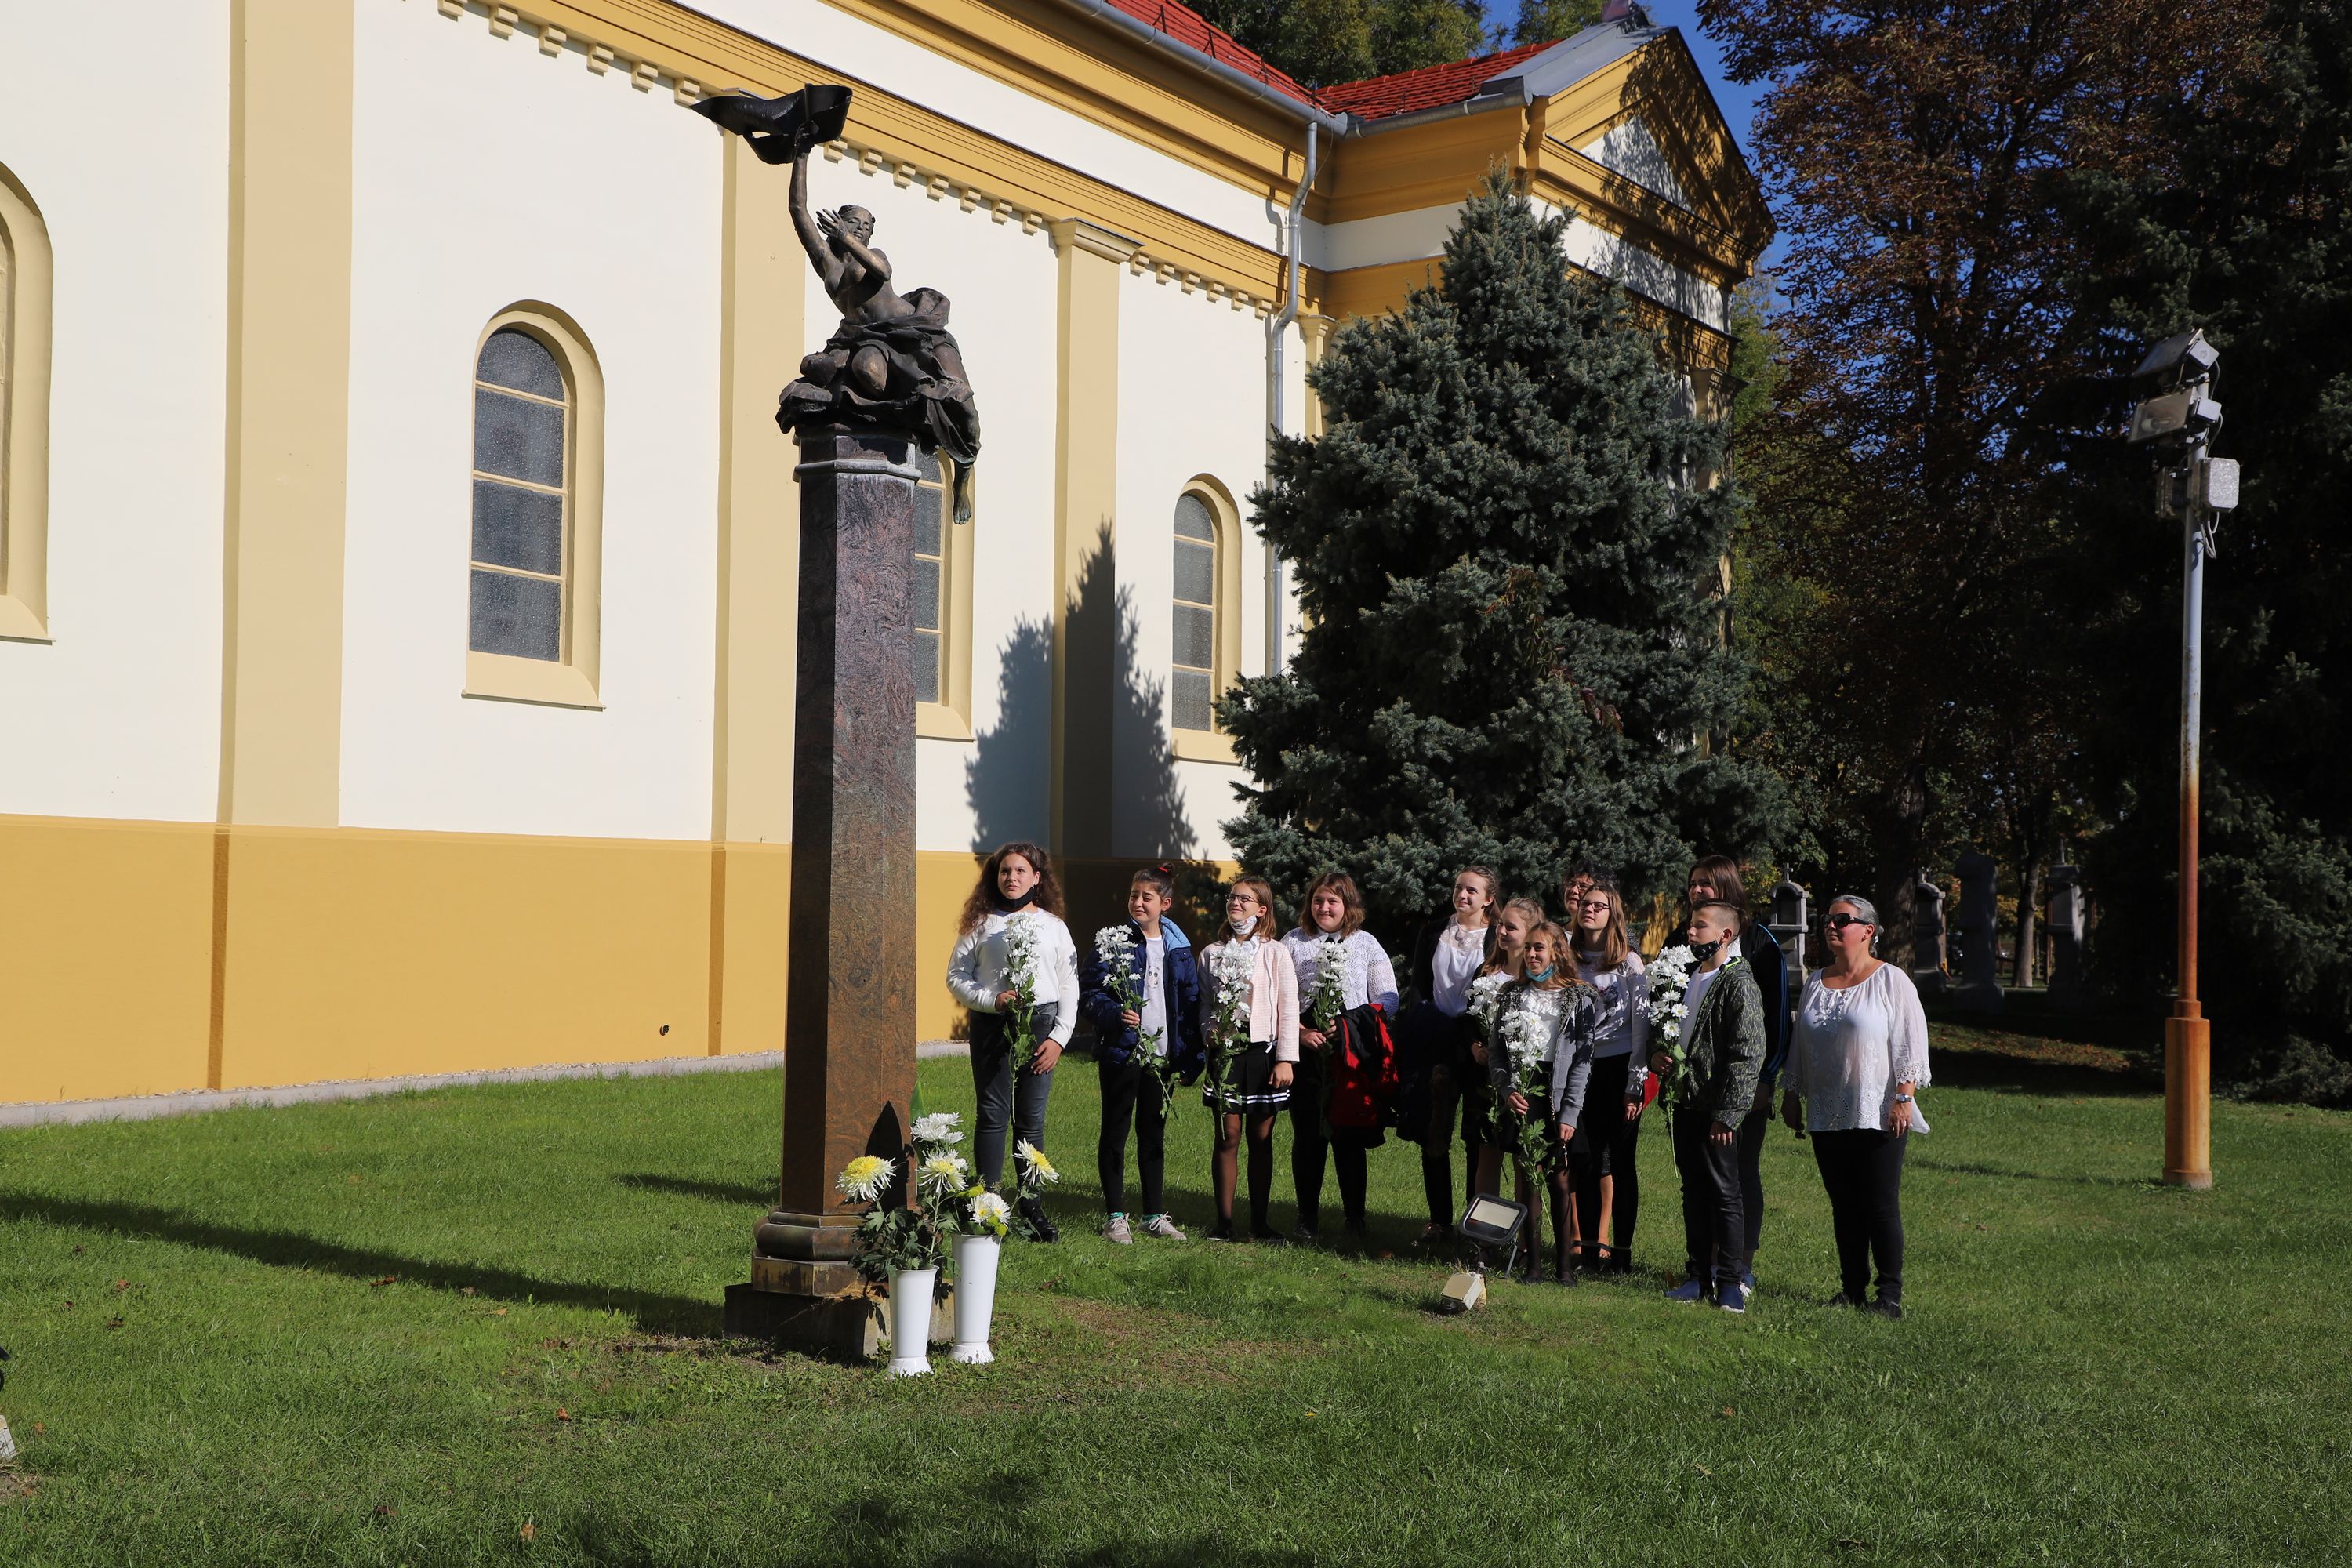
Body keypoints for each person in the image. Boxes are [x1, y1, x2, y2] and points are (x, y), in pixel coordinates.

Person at [1780, 895, 1931, 1319]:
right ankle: (1852, 1289)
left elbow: (1911, 1042)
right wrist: (1792, 1092)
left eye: (1842, 919)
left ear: (1868, 930)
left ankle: (1890, 1296)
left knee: (1879, 1203)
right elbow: (1800, 1043)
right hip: (1827, 1110)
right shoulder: (1816, 982)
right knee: (1843, 1204)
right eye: (1827, 919)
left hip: (1878, 1109)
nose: (1831, 925)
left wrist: (1904, 1097)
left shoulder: (1891, 980)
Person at [946, 841, 1079, 1240]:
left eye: (1021, 871)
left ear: (1037, 878)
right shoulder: (981, 924)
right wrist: (992, 1000)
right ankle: (988, 1205)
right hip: (993, 1025)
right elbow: (956, 976)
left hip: (1041, 1027)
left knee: (1031, 1119)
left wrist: (1058, 1038)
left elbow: (1069, 985)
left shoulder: (1054, 927)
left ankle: (1031, 1206)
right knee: (992, 1114)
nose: (1012, 878)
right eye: (1005, 871)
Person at [1077, 864, 1204, 1245]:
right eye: (1134, 895)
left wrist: (1191, 1057)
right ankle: (1115, 1217)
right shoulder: (1113, 943)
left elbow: (1189, 1003)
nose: (1138, 902)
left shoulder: (1178, 949)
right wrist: (1117, 1014)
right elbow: (1090, 993)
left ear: (1165, 904)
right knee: (1115, 1131)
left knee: (1153, 1135)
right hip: (1123, 1053)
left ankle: (1153, 1215)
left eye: (1147, 897)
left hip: (1161, 1056)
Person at [1686, 855, 1788, 1294]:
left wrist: (1766, 1078)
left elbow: (1775, 1015)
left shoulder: (1759, 943)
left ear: (1726, 888)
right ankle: (1704, 1264)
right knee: (1700, 1179)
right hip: (1696, 1090)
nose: (1697, 891)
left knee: (1739, 1173)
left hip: (1746, 1084)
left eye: (1706, 884)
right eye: (1693, 884)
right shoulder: (1687, 943)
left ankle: (1739, 1265)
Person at [1658, 898, 1766, 1312]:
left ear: (1725, 935)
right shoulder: (1688, 975)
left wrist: (1729, 1114)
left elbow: (1747, 1053)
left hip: (1717, 1109)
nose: (1690, 931)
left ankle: (1730, 1281)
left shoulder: (1738, 982)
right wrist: (1658, 1053)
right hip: (1687, 1102)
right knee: (1694, 1192)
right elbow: (1673, 1030)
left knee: (1725, 1192)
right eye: (1691, 924)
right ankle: (1697, 1277)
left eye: (1699, 926)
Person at [1282, 873, 1401, 1243]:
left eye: (1333, 901)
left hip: (1349, 1054)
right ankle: (1307, 1217)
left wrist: (1350, 1024)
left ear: (1348, 905)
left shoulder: (1365, 944)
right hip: (1307, 1051)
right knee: (1308, 1136)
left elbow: (1389, 998)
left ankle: (1355, 1218)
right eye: (1318, 900)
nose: (1324, 907)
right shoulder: (1293, 942)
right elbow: (1278, 997)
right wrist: (1300, 1032)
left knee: (1348, 1136)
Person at [1487, 921, 1596, 1284]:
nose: (1532, 954)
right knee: (1530, 1178)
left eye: (1540, 948)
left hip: (1559, 1094)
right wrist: (1508, 1090)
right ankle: (1533, 1265)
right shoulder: (1511, 995)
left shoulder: (1578, 997)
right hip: (1525, 1092)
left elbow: (1582, 1061)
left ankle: (1563, 1267)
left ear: (1557, 953)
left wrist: (1570, 1113)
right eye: (1529, 948)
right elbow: (1497, 1054)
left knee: (1560, 1180)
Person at [1399, 867, 1501, 1247]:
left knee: (1477, 1135)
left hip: (1476, 1045)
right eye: (1459, 888)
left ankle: (1474, 1225)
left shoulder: (1497, 936)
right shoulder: (1433, 932)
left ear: (1488, 899)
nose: (1463, 895)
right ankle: (1438, 1220)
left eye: (1472, 890)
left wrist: (1479, 1039)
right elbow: (1420, 986)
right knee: (1434, 1131)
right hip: (1437, 1038)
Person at [1198, 877, 1299, 1242]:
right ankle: (1224, 1223)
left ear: (1262, 910)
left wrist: (1286, 1059)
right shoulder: (1212, 952)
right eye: (1232, 897)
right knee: (1228, 1135)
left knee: (1260, 1137)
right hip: (1226, 1054)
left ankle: (1260, 1222)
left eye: (1245, 899)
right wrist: (1209, 1031)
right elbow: (1205, 1001)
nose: (1235, 903)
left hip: (1263, 1055)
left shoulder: (1275, 953)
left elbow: (1288, 1007)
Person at [1567, 878, 1649, 1276]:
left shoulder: (1629, 963)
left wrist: (1635, 1084)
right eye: (1585, 903)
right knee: (1583, 1159)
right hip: (1579, 1070)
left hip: (1619, 1069)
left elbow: (1641, 1027)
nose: (1590, 909)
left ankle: (1622, 1254)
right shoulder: (1568, 958)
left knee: (1620, 1162)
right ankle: (1586, 1252)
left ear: (1613, 914)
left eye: (1599, 905)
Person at [1470, 898, 1543, 1200]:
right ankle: (1485, 1227)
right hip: (1487, 1080)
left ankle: (1526, 1230)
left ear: (1530, 933)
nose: (1501, 931)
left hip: (1526, 1081)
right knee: (1487, 1154)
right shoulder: (1485, 972)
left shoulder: (1538, 978)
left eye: (1510, 928)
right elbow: (1470, 1018)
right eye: (1501, 925)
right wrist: (1474, 1047)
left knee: (1525, 1157)